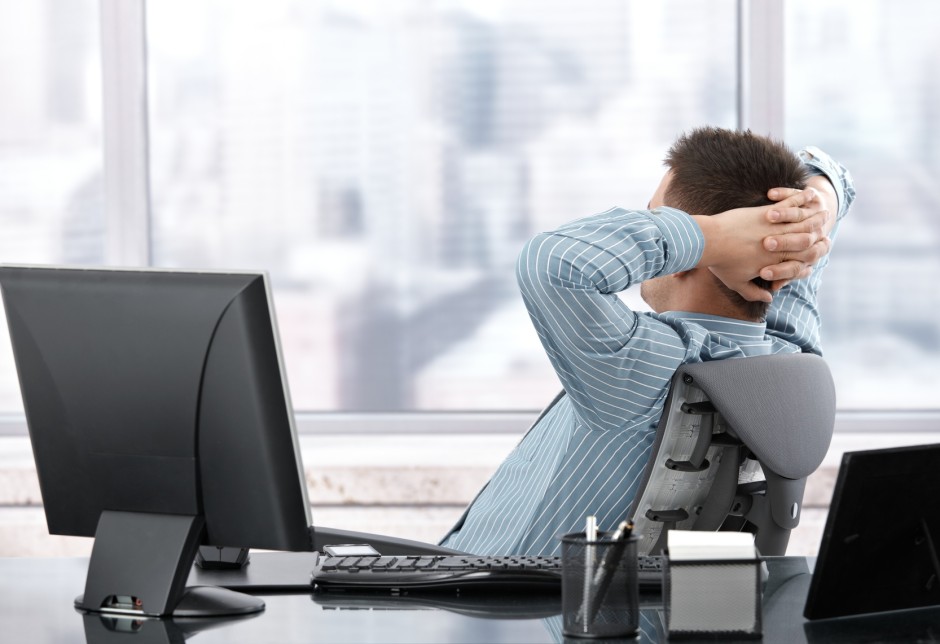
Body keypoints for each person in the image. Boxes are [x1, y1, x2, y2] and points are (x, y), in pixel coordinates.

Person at [440, 126, 856, 556]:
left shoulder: (642, 366)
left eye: (660, 221)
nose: (656, 231)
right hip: (640, 616)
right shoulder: (789, 357)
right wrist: (793, 224)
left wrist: (707, 238)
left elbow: (552, 262)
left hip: (480, 596)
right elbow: (837, 178)